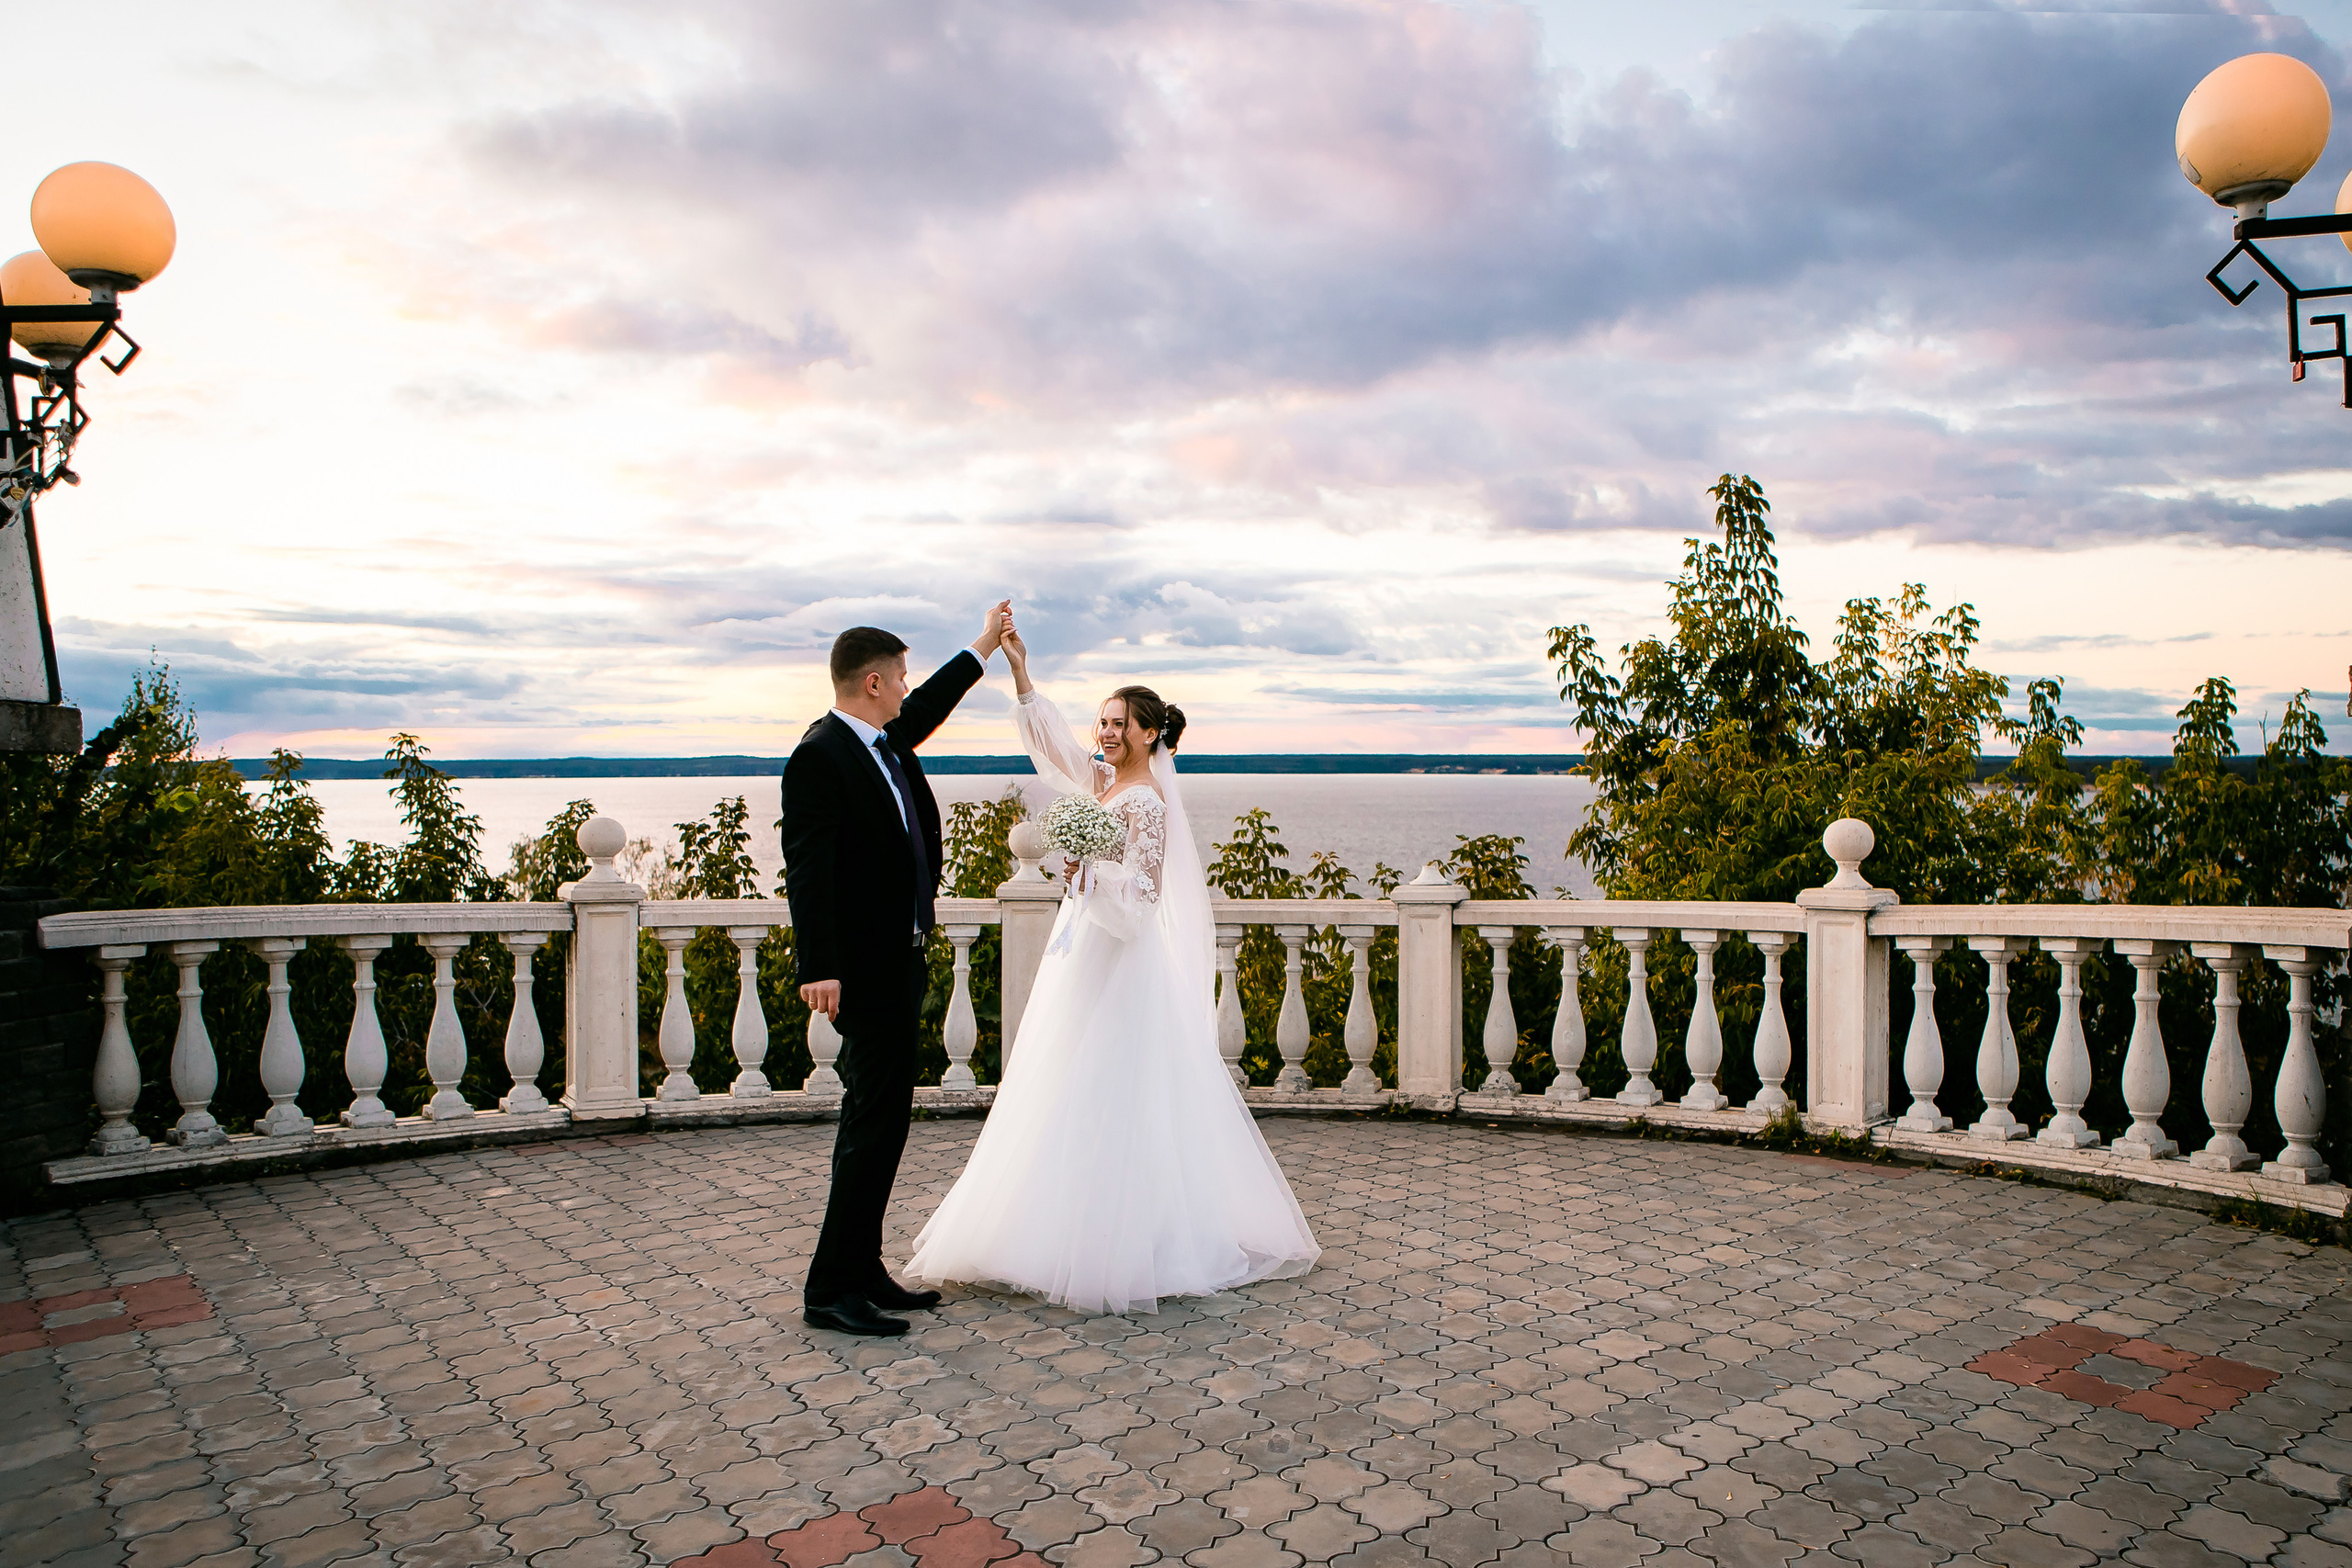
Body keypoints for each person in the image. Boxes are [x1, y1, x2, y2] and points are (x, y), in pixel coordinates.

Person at [904, 622, 1319, 1314]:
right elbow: (1055, 751)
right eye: (1102, 721)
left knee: (1114, 1091)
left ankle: (1127, 1241)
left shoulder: (1147, 803)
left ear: (1150, 734)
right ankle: (1052, 1230)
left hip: (1122, 963)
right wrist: (1021, 673)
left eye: (1119, 723)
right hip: (1082, 954)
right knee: (1062, 1082)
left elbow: (1145, 900)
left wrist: (1089, 875)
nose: (1105, 733)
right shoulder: (1101, 781)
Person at [784, 602, 1009, 1337]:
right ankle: (829, 1288)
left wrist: (984, 645)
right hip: (860, 970)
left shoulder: (884, 743)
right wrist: (819, 965)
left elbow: (934, 702)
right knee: (868, 1125)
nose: (909, 688)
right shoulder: (821, 755)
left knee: (885, 1123)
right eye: (902, 677)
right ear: (873, 682)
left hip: (899, 961)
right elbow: (807, 868)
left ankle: (862, 1269)